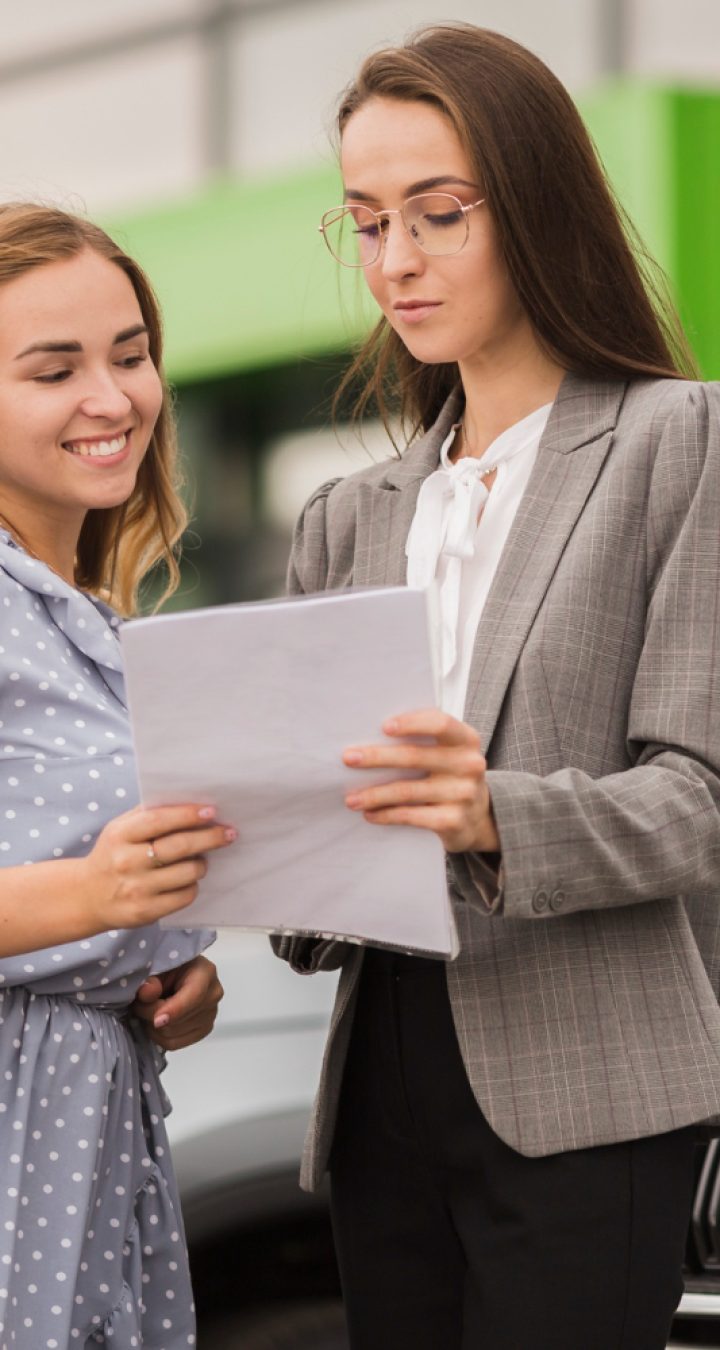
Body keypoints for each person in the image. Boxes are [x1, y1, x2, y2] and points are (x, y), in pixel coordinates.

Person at [274, 23, 720, 1350]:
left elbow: (701, 798)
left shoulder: (678, 441)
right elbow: (308, 841)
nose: (397, 261)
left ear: (534, 199)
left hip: (590, 1084)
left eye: (439, 213)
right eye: (365, 222)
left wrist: (487, 813)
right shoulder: (345, 514)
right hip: (381, 1090)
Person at [0, 203, 236, 1348]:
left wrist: (166, 965)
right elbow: (73, 883)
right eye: (55, 371)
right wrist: (90, 901)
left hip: (92, 1120)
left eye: (131, 354)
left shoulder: (89, 615)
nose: (114, 398)